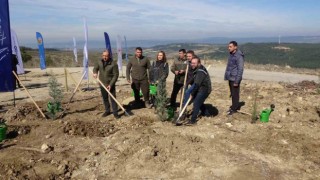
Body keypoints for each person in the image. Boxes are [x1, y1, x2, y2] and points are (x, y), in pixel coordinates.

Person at [177, 57, 211, 125]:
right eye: (192, 63)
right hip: (200, 88)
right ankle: (207, 114)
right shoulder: (197, 69)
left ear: (199, 63)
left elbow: (197, 84)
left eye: (194, 63)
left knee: (196, 103)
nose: (192, 64)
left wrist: (192, 93)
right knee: (198, 101)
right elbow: (193, 80)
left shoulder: (200, 72)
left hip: (204, 89)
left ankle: (193, 121)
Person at [93, 50, 120, 119]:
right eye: (103, 56)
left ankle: (115, 112)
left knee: (113, 98)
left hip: (110, 84)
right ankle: (107, 111)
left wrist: (111, 84)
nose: (105, 57)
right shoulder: (99, 62)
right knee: (105, 98)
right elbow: (95, 68)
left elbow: (115, 75)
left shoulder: (113, 64)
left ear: (109, 56)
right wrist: (95, 72)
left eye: (106, 56)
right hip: (102, 83)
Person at [224, 41, 244, 115]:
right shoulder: (231, 55)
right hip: (230, 77)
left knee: (235, 94)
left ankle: (234, 109)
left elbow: (240, 69)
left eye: (230, 47)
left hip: (235, 78)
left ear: (235, 47)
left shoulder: (239, 56)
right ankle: (233, 106)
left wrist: (237, 81)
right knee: (232, 93)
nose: (228, 48)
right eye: (228, 46)